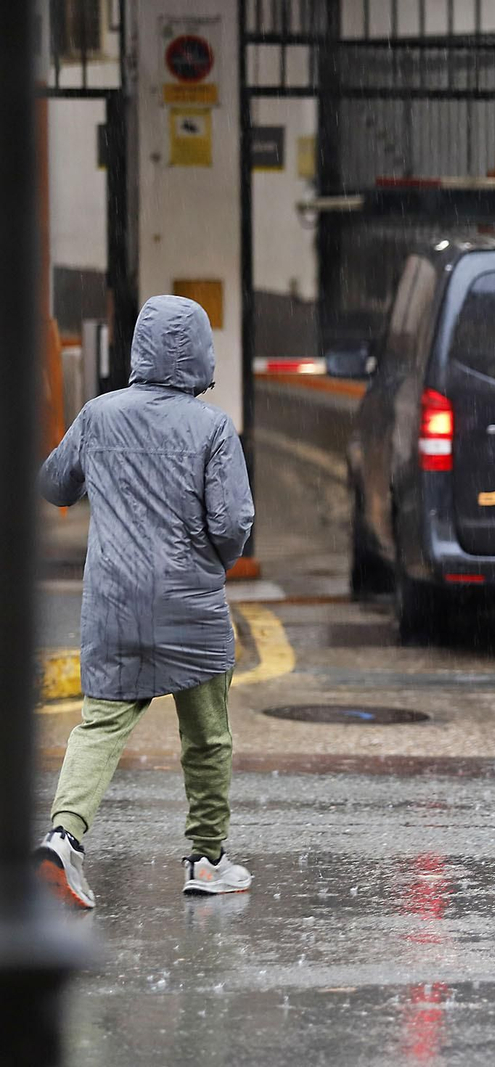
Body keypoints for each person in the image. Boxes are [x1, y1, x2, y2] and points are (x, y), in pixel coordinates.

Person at [35, 295, 256, 909]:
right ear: (202, 354)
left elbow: (54, 483)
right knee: (207, 736)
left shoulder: (99, 415)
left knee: (99, 726)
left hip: (112, 604)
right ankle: (206, 859)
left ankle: (63, 838)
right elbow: (233, 521)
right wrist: (210, 563)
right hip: (191, 604)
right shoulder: (211, 427)